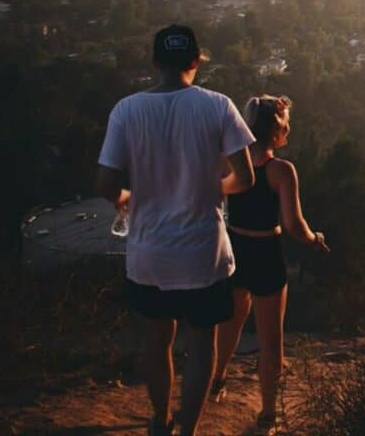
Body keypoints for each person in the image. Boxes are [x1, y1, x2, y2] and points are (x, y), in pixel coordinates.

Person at [97, 25, 255, 436]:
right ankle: (189, 428)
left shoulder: (126, 110)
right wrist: (214, 187)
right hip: (203, 251)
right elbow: (247, 177)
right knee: (201, 342)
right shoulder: (218, 105)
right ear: (195, 62)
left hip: (149, 254)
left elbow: (106, 184)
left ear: (154, 64)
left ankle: (158, 419)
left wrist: (126, 197)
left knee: (156, 341)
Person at [211, 95, 329, 435]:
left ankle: (216, 380)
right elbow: (294, 225)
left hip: (233, 248)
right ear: (276, 131)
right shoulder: (281, 171)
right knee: (270, 341)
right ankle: (266, 414)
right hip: (265, 252)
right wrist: (314, 238)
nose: (289, 128)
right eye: (286, 123)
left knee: (229, 325)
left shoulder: (228, 161)